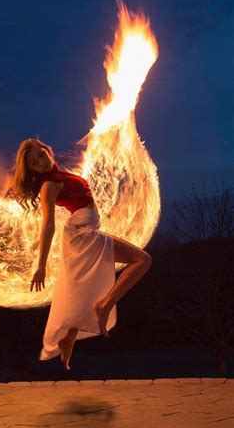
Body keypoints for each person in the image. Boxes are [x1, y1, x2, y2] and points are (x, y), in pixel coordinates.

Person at [11, 137, 152, 370]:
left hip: (84, 230)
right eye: (35, 163)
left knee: (84, 286)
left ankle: (68, 338)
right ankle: (105, 304)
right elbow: (48, 226)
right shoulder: (49, 185)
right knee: (143, 260)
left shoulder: (59, 176)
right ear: (32, 170)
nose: (41, 163)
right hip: (81, 232)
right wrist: (41, 265)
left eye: (41, 156)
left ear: (48, 151)